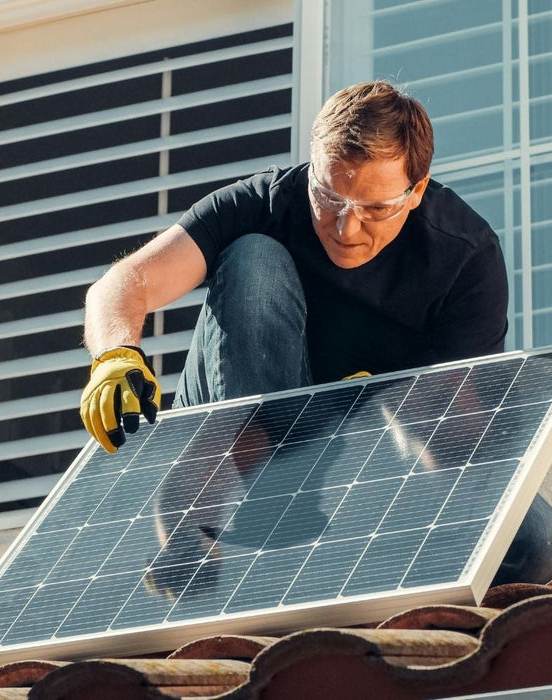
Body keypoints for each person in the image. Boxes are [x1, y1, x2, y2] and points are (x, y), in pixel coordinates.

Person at [79, 80, 552, 585]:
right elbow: (124, 283)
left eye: (375, 209)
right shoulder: (263, 203)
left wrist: (399, 419)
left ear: (416, 191)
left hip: (368, 452)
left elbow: (460, 452)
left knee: (529, 541)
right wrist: (114, 356)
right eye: (329, 197)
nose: (346, 229)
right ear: (311, 168)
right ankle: (261, 494)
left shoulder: (462, 256)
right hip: (245, 427)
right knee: (253, 257)